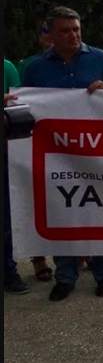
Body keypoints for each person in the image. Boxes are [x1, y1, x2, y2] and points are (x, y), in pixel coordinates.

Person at [21, 6, 103, 302]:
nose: (73, 35)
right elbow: (27, 108)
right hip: (56, 154)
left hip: (98, 150)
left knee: (99, 209)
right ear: (50, 34)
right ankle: (65, 275)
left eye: (76, 29)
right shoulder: (36, 67)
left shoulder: (102, 59)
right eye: (65, 30)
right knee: (61, 211)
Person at [4, 59, 29, 294]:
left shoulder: (7, 68)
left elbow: (20, 105)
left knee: (6, 219)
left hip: (5, 151)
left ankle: (8, 270)